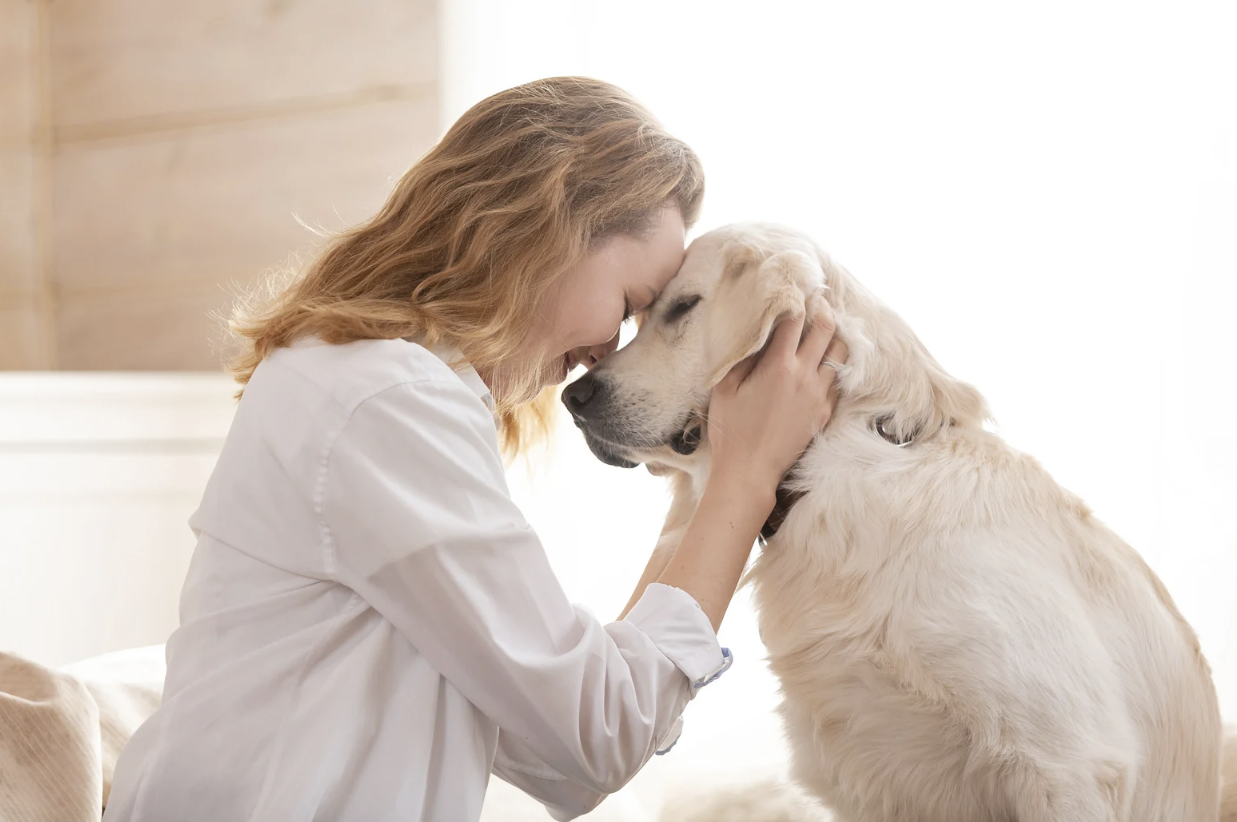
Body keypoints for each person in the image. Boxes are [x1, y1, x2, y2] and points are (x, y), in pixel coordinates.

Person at [103, 77, 842, 822]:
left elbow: (567, 760)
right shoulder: (384, 398)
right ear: (547, 231)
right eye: (628, 305)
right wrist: (743, 484)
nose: (607, 353)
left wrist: (707, 485)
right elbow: (598, 735)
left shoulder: (370, 383)